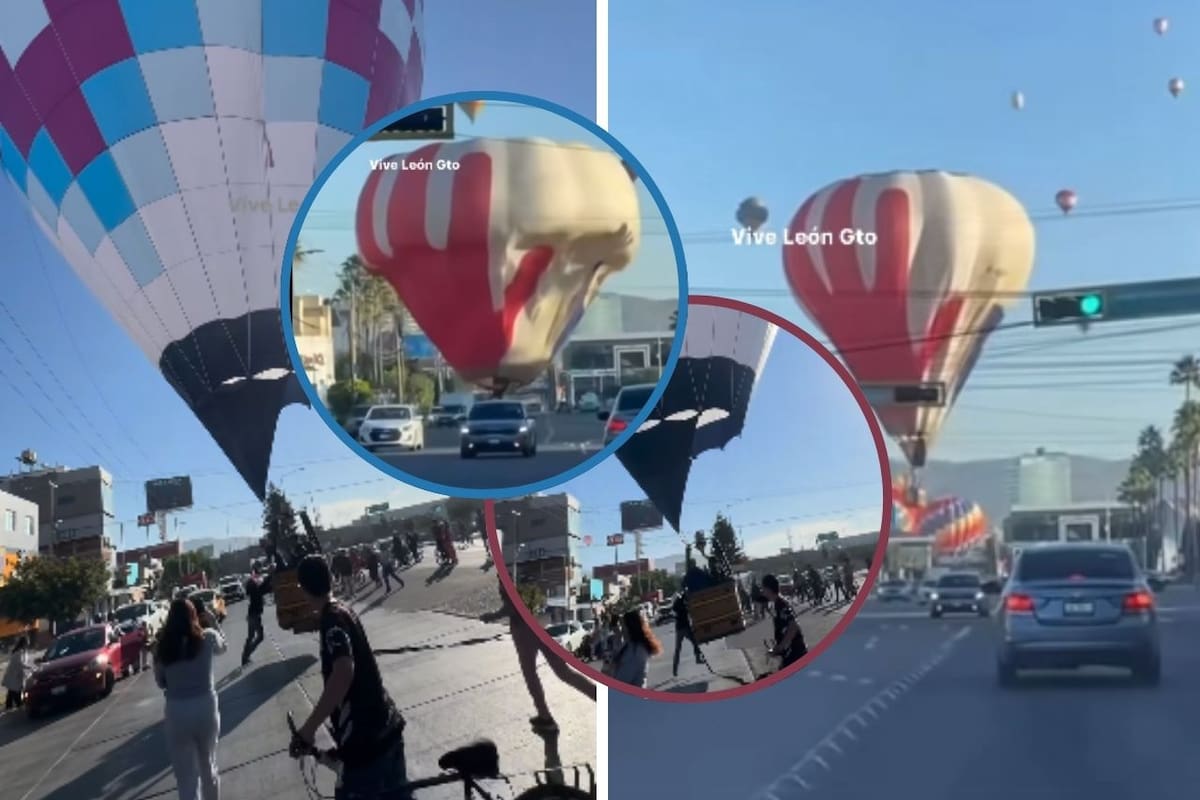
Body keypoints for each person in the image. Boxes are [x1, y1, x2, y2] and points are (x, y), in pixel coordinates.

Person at [290, 555, 409, 800]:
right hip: (385, 727)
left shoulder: (331, 621)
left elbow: (343, 672)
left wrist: (309, 729)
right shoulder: (344, 610)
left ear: (303, 589)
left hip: (367, 745)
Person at [499, 578, 595, 734]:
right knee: (564, 673)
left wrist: (493, 615)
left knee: (530, 674)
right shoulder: (511, 576)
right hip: (537, 627)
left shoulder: (506, 577)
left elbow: (512, 606)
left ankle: (545, 716)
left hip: (523, 631)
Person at [154, 598, 228, 800]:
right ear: (194, 616)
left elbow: (160, 682)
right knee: (208, 766)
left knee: (186, 777)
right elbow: (224, 647)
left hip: (177, 711)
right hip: (205, 706)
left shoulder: (163, 648)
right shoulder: (208, 637)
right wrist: (213, 621)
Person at [760, 574, 808, 671]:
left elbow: (793, 626)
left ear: (769, 589)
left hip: (796, 654)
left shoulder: (781, 605)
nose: (762, 591)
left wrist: (780, 647)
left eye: (763, 588)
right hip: (790, 656)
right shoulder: (777, 604)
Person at [611, 609, 663, 689]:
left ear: (630, 627)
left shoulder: (636, 651)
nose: (620, 630)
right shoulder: (628, 646)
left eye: (622, 626)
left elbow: (622, 680)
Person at [671, 591, 706, 677]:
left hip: (679, 629)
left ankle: (675, 669)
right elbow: (684, 605)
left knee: (678, 649)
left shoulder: (676, 606)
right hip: (685, 628)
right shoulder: (680, 604)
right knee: (695, 641)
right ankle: (697, 658)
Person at [242, 569, 267, 666]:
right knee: (259, 636)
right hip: (254, 615)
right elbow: (262, 587)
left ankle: (245, 657)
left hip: (252, 614)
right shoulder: (254, 586)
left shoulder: (252, 586)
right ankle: (246, 655)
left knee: (251, 636)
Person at [3, 635, 32, 709]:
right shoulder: (19, 652)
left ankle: (9, 706)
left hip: (16, 675)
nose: (28, 644)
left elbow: (23, 663)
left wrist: (29, 668)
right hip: (14, 675)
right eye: (27, 643)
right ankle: (18, 704)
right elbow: (21, 664)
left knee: (12, 691)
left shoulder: (22, 652)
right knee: (16, 691)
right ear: (24, 643)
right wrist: (29, 667)